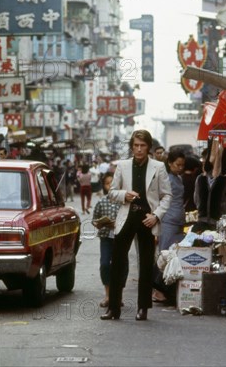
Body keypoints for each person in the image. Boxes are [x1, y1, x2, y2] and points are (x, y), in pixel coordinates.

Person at [100, 129, 172, 321]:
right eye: (136, 146)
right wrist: (125, 195)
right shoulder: (123, 166)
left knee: (146, 265)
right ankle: (113, 309)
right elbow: (112, 192)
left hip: (147, 219)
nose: (139, 149)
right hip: (127, 217)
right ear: (132, 147)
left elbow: (167, 196)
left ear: (148, 147)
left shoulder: (158, 167)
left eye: (143, 146)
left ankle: (143, 308)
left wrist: (156, 216)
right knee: (117, 262)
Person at [153, 149, 186, 304]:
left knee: (172, 255)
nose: (180, 167)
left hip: (178, 221)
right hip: (168, 221)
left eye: (182, 165)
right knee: (164, 254)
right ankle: (157, 290)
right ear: (170, 163)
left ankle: (164, 288)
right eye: (177, 164)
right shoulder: (166, 178)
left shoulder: (178, 177)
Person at [92, 172, 129, 308]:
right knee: (105, 264)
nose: (110, 186)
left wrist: (119, 224)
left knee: (121, 265)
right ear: (104, 186)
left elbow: (130, 220)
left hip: (122, 237)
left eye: (113, 183)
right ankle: (108, 295)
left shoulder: (125, 202)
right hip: (106, 237)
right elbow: (95, 221)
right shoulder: (101, 202)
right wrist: (102, 223)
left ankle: (118, 296)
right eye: (108, 183)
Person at [194, 148, 226, 228]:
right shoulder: (200, 179)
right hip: (202, 221)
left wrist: (223, 211)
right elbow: (197, 199)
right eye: (203, 162)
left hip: (219, 222)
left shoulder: (225, 181)